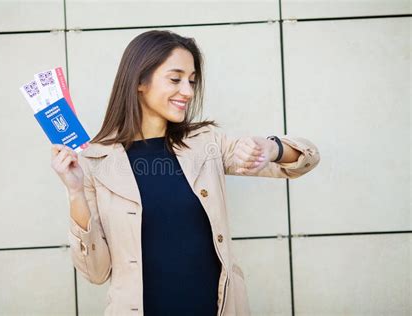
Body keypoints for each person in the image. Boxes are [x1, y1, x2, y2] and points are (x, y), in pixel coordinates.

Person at [50, 30, 320, 316]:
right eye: (175, 79)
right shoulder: (95, 161)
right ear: (140, 81)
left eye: (192, 81)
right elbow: (96, 272)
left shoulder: (207, 144)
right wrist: (75, 192)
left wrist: (271, 147)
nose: (189, 91)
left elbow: (306, 159)